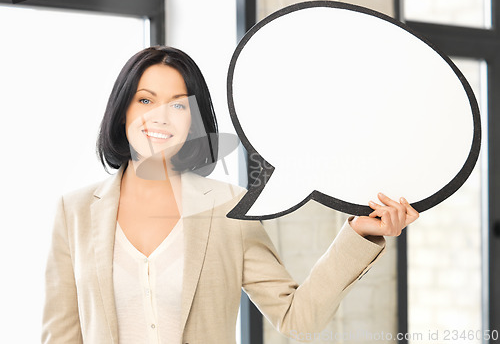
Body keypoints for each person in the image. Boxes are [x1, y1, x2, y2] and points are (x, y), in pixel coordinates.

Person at [41, 46, 419, 344]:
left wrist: (359, 234)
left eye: (178, 104)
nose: (161, 116)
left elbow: (297, 319)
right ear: (121, 110)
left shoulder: (228, 208)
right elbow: (60, 336)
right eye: (145, 100)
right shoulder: (74, 212)